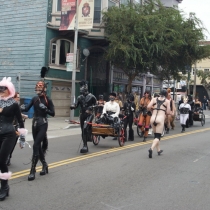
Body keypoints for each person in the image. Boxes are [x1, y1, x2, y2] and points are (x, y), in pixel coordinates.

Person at [21, 81, 55, 181]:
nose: (38, 88)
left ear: (44, 88)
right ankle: (44, 165)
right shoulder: (34, 99)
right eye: (37, 86)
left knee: (36, 145)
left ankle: (32, 170)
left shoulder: (48, 99)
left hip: (43, 124)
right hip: (34, 124)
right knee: (38, 146)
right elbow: (26, 108)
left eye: (40, 86)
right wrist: (20, 107)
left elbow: (53, 113)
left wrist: (46, 109)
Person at [0, 77, 27, 201]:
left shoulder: (14, 104)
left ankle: (4, 187)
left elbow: (21, 122)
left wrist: (22, 138)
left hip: (9, 134)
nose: (1, 90)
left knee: (2, 161)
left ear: (9, 90)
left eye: (3, 89)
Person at [70, 81, 97, 153]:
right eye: (80, 87)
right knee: (83, 130)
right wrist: (73, 106)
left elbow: (96, 105)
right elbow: (76, 105)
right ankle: (85, 145)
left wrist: (91, 107)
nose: (81, 89)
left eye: (82, 87)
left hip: (89, 115)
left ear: (86, 88)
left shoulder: (92, 96)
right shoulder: (79, 97)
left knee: (85, 128)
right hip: (82, 115)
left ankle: (86, 143)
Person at [147, 89, 171, 158]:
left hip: (153, 118)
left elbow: (148, 107)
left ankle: (158, 150)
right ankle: (151, 148)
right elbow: (168, 112)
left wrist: (151, 110)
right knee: (158, 136)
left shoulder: (154, 99)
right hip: (160, 119)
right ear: (166, 94)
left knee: (156, 136)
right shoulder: (167, 101)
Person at [6, 92, 28, 166]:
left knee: (13, 144)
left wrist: (23, 115)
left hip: (16, 127)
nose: (18, 98)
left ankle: (8, 157)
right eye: (17, 97)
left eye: (19, 97)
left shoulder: (17, 106)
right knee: (8, 144)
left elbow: (18, 114)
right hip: (9, 128)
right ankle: (6, 158)